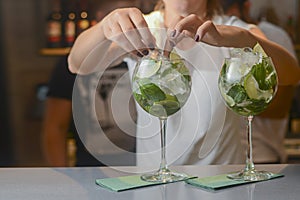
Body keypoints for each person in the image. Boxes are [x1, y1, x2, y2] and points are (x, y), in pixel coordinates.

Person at [67, 0, 300, 169]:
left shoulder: (229, 28)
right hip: (156, 183)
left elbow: (291, 73)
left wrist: (246, 39)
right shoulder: (142, 28)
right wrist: (104, 27)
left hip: (222, 179)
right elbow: (77, 64)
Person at [42, 0, 139, 167]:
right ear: (100, 17)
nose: (126, 24)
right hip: (90, 166)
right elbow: (55, 127)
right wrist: (63, 177)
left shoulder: (141, 55)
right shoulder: (72, 63)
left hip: (140, 165)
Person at [221, 0, 298, 163]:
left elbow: (281, 107)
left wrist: (241, 102)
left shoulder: (274, 36)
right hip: (230, 158)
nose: (227, 29)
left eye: (231, 16)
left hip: (265, 152)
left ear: (246, 8)